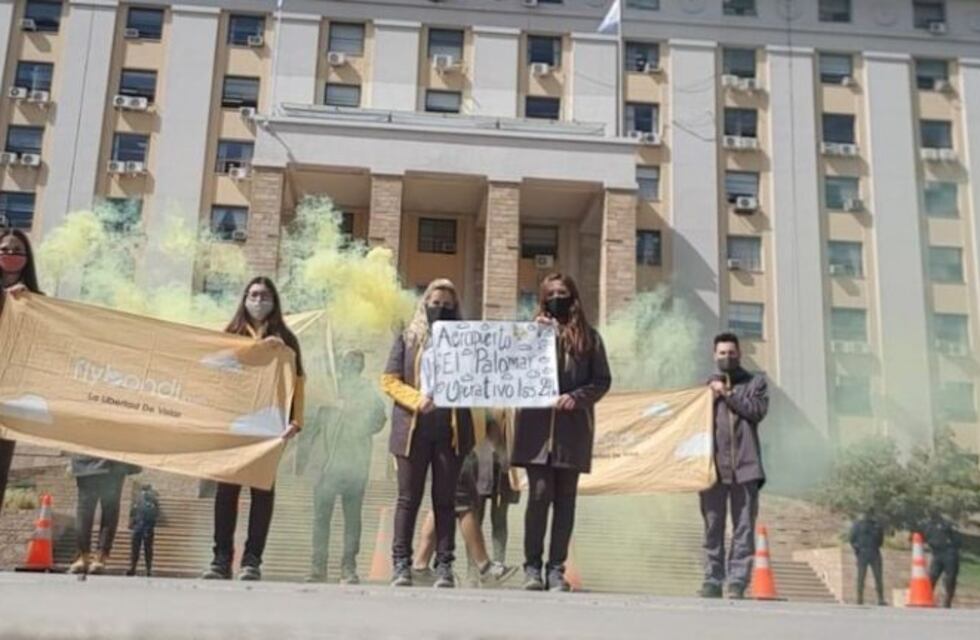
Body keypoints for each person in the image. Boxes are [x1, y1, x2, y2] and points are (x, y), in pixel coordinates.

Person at [511, 273, 611, 592]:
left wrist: (577, 398)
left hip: (572, 432)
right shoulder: (529, 334)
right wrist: (532, 338)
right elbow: (512, 371)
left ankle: (556, 568)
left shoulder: (590, 338)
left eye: (563, 292)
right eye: (551, 293)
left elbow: (602, 380)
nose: (558, 297)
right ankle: (531, 567)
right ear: (543, 299)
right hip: (536, 432)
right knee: (539, 495)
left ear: (574, 297)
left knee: (565, 501)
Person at [202, 277, 305, 581]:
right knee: (226, 492)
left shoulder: (287, 338)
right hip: (233, 425)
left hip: (269, 425)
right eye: (253, 295)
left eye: (265, 296)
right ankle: (221, 559)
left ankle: (252, 560)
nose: (259, 301)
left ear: (275, 301)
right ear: (244, 298)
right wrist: (256, 349)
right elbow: (211, 365)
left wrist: (296, 420)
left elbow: (299, 381)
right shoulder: (230, 333)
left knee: (262, 492)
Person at [381, 279, 476, 588]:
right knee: (408, 498)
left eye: (448, 305)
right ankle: (401, 564)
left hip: (451, 431)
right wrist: (415, 399)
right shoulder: (407, 338)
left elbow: (485, 376)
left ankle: (445, 565)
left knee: (445, 500)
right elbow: (389, 380)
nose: (441, 309)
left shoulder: (468, 341)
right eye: (435, 303)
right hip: (412, 428)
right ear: (424, 304)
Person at [304, 350, 386, 584]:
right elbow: (310, 420)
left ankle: (348, 567)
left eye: (356, 364)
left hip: (355, 464)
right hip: (326, 464)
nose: (351, 367)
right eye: (349, 363)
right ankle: (317, 567)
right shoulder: (329, 389)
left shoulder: (367, 392)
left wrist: (357, 421)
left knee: (352, 519)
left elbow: (379, 419)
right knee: (321, 519)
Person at [698, 332, 769, 600]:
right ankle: (712, 579)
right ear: (714, 355)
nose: (727, 357)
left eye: (731, 353)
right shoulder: (704, 389)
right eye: (722, 353)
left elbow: (756, 412)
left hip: (747, 468)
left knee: (744, 528)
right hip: (713, 469)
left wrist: (727, 394)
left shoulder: (756, 383)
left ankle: (737, 581)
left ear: (739, 354)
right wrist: (711, 393)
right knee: (712, 526)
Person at [412, 415, 517, 589]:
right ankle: (484, 567)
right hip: (454, 442)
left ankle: (420, 564)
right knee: (462, 503)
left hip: (457, 443)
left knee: (446, 503)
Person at [0, 228, 42, 519]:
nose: (11, 255)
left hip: (9, 399)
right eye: (5, 249)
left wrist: (26, 306)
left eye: (18, 250)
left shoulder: (37, 301)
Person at [68, 456, 141, 575]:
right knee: (107, 510)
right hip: (110, 460)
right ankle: (98, 557)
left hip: (92, 460)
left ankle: (85, 556)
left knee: (87, 509)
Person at [475, 409, 520, 566]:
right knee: (474, 517)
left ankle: (499, 563)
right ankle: (474, 567)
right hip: (478, 457)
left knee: (500, 517)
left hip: (506, 459)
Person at [924, 513, 962, 608]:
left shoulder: (948, 525)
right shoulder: (928, 526)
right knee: (932, 576)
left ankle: (947, 601)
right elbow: (925, 537)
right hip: (937, 553)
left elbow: (958, 539)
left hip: (949, 552)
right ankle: (927, 598)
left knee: (950, 578)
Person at [849, 510, 886, 606]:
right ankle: (860, 598)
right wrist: (857, 550)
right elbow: (852, 539)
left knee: (877, 577)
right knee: (862, 577)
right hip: (865, 552)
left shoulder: (876, 526)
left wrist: (858, 549)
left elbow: (881, 540)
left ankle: (880, 598)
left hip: (872, 551)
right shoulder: (859, 525)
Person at [127, 483, 161, 577]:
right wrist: (132, 523)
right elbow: (132, 512)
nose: (145, 493)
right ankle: (133, 567)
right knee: (135, 549)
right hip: (138, 526)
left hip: (147, 526)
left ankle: (148, 569)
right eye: (144, 490)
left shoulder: (153, 501)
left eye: (146, 490)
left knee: (148, 549)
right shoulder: (138, 500)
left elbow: (157, 513)